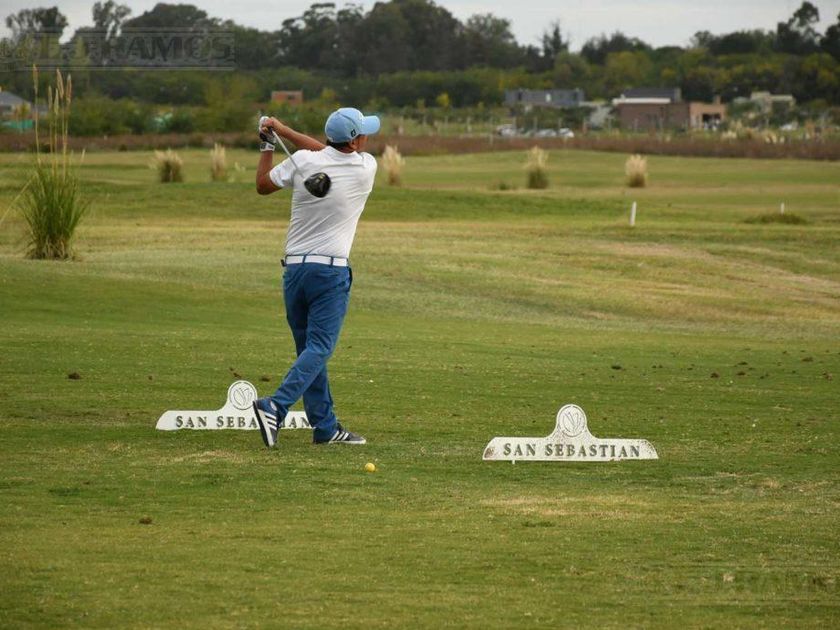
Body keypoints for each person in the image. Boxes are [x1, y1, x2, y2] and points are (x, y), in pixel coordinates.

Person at [251, 107, 380, 448]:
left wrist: (270, 143)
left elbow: (263, 185)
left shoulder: (303, 161)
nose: (367, 137)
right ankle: (275, 406)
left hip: (294, 272)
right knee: (320, 348)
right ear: (354, 141)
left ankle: (325, 427)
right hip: (329, 273)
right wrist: (285, 132)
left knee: (310, 352)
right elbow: (326, 152)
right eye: (363, 133)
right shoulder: (366, 167)